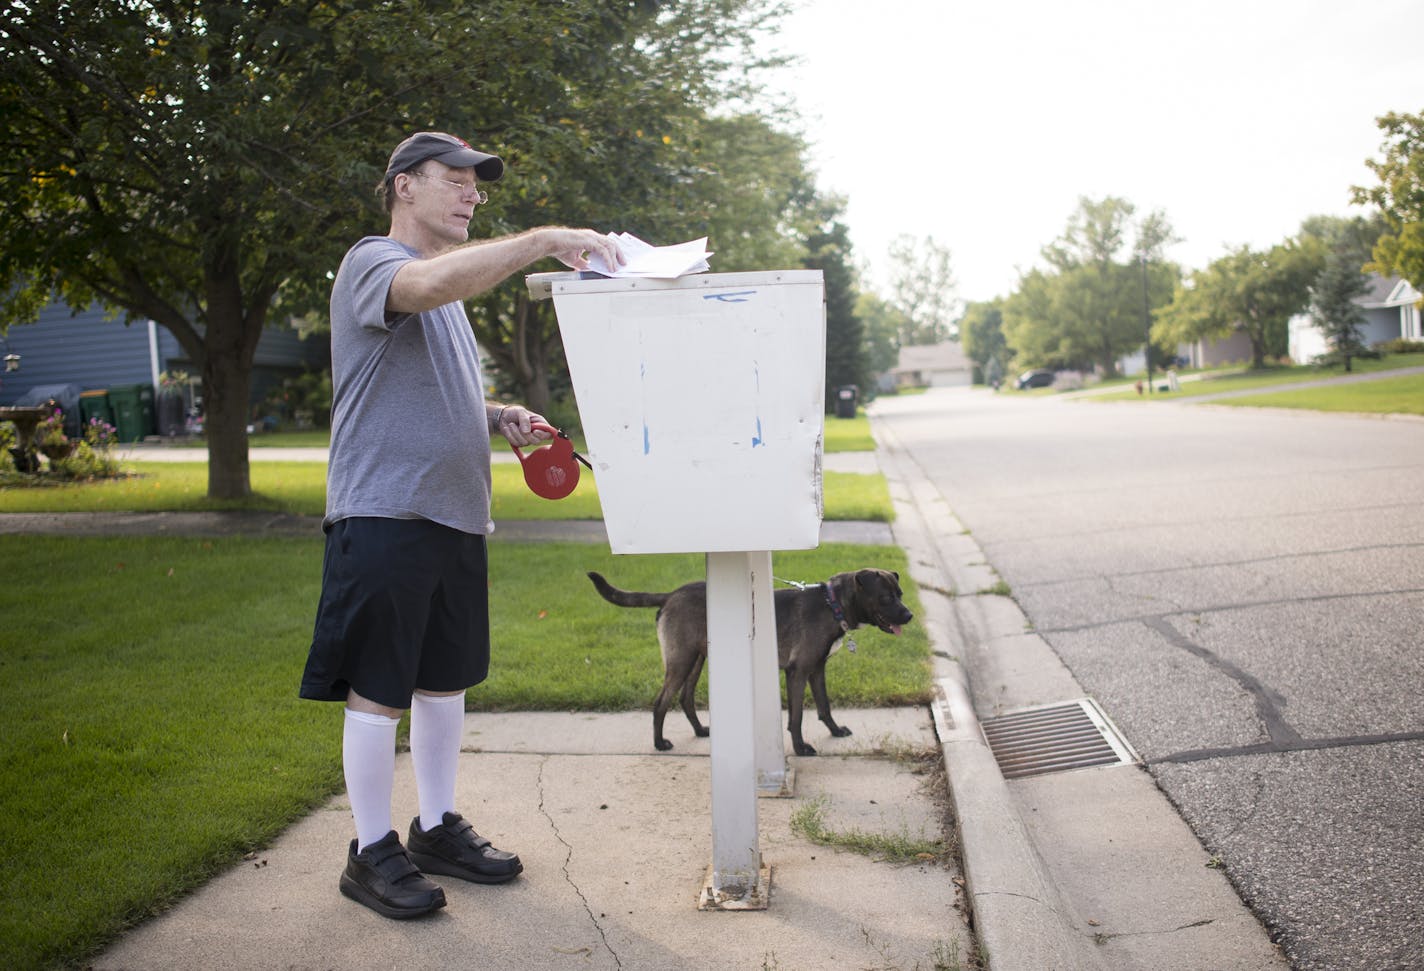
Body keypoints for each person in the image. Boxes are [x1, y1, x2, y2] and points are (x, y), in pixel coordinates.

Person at [299, 131, 624, 919]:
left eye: (479, 182)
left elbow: (420, 392)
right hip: (384, 513)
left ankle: (435, 825)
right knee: (378, 693)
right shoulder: (373, 263)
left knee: (443, 682)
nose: (474, 192)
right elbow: (423, 285)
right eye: (457, 179)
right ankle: (369, 848)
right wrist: (545, 240)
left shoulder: (445, 304)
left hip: (452, 519)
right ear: (404, 186)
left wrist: (499, 413)